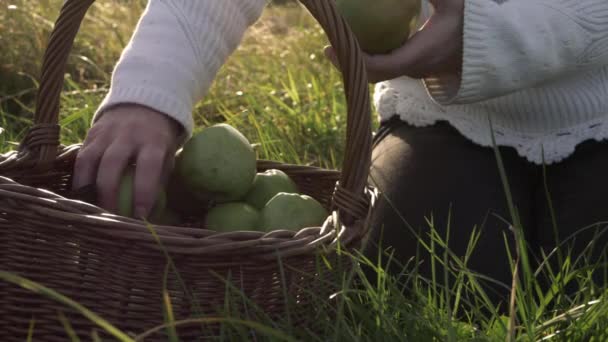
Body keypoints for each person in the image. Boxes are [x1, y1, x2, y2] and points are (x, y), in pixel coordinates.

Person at [72, 0, 608, 308]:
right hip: (445, 118)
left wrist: (496, 36)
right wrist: (150, 92)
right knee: (429, 284)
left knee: (586, 277)